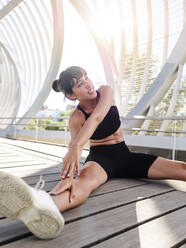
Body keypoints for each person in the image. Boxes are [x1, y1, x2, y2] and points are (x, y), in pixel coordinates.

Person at [0, 66, 185, 240]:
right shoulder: (76, 118)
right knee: (79, 186)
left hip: (125, 155)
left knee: (181, 168)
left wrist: (75, 147)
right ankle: (40, 206)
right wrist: (68, 177)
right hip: (100, 159)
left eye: (86, 77)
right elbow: (74, 150)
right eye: (80, 84)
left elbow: (96, 118)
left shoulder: (106, 92)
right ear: (72, 96)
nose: (88, 84)